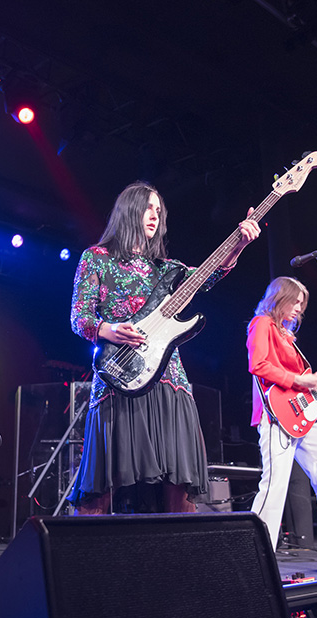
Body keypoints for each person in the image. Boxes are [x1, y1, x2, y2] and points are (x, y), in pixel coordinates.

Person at [68, 181, 260, 514]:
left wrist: (239, 245)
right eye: (147, 207)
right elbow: (79, 317)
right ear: (129, 209)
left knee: (179, 482)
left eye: (159, 210)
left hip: (170, 379)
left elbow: (209, 275)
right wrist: (108, 329)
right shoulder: (96, 259)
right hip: (120, 376)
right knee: (103, 485)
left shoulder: (167, 269)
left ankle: (179, 558)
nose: (154, 215)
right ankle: (90, 558)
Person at [246, 277, 317, 574]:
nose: (299, 308)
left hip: (304, 416)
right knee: (274, 486)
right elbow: (258, 365)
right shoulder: (261, 324)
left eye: (302, 304)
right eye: (295, 301)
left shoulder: (288, 337)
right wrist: (301, 380)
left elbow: (301, 387)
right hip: (275, 417)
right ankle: (254, 558)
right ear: (279, 298)